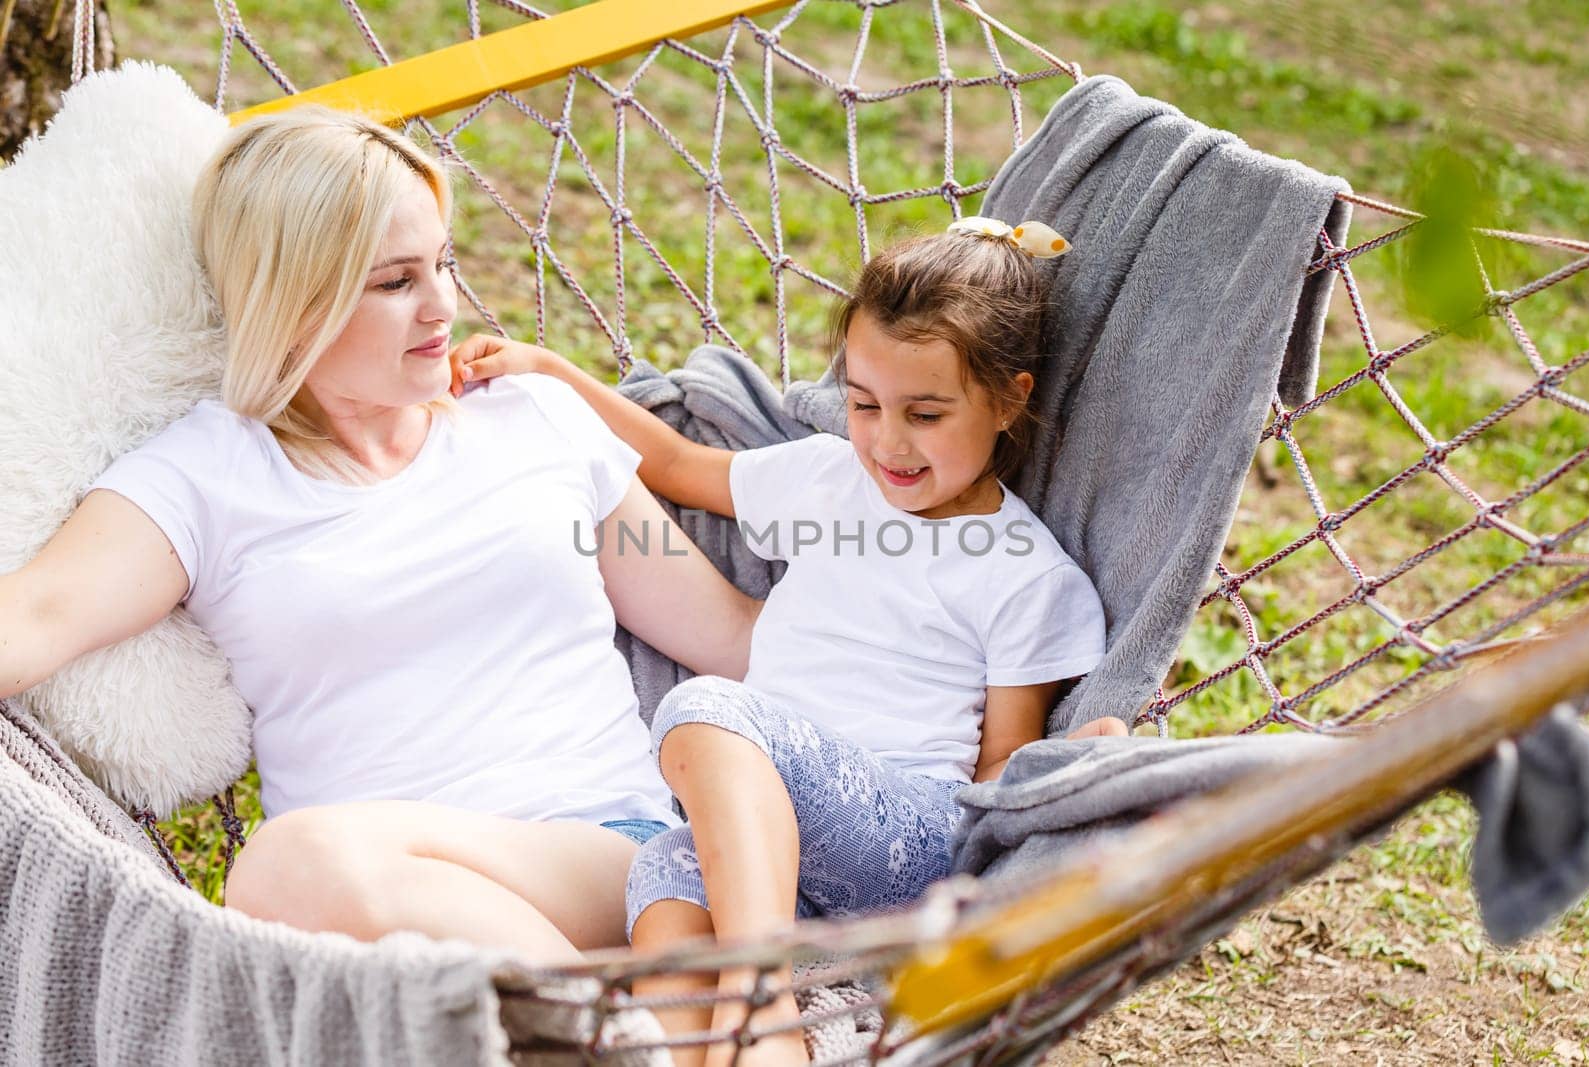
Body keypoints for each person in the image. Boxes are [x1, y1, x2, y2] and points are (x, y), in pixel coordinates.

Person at [0, 106, 764, 965]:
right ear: (295, 304)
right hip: (374, 911)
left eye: (442, 262)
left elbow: (731, 635)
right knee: (297, 871)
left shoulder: (537, 421)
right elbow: (33, 615)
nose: (445, 304)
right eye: (396, 282)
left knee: (289, 866)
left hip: (606, 857)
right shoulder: (204, 478)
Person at [451, 217, 1125, 1065]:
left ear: (1010, 397)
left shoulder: (1026, 573)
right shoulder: (827, 479)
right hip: (771, 857)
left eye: (925, 412)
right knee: (663, 869)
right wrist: (547, 370)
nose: (888, 440)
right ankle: (720, 1050)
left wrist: (1067, 785)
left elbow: (1000, 767)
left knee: (705, 709)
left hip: (904, 842)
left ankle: (760, 992)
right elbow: (673, 463)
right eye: (863, 403)